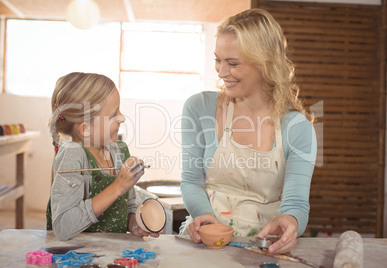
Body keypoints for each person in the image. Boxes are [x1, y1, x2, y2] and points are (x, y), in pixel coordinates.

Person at [180, 9, 317, 254]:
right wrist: (204, 217)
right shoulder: (199, 108)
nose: (221, 72)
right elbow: (191, 181)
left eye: (232, 63)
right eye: (218, 60)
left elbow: (296, 203)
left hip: (264, 246)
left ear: (266, 63)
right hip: (204, 241)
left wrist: (291, 221)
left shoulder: (298, 128)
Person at [46, 72, 159, 241]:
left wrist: (134, 223)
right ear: (85, 129)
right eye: (114, 114)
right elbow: (63, 227)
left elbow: (127, 207)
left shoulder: (119, 150)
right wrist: (117, 187)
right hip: (76, 257)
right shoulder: (73, 154)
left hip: (112, 255)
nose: (122, 118)